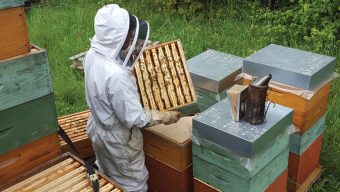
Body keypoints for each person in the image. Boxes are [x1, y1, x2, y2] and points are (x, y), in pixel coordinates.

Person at [84, 4, 181, 192]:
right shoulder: (117, 76)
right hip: (118, 140)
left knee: (107, 171)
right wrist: (165, 116)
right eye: (128, 33)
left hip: (97, 128)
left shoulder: (92, 54)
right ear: (117, 36)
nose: (131, 36)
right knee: (134, 183)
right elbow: (135, 117)